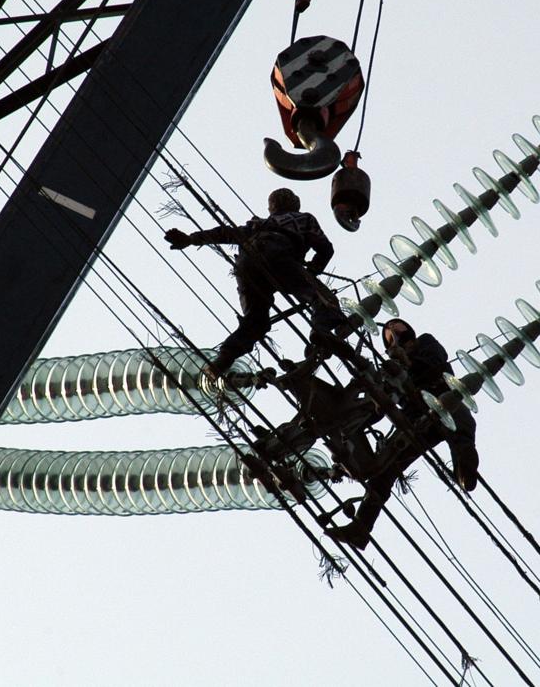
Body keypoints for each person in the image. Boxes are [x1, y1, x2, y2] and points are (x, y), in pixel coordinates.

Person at [325, 318, 479, 550]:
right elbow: (384, 397)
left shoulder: (424, 342)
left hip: (442, 398)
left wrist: (407, 362)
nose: (392, 331)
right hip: (415, 419)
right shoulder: (391, 368)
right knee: (385, 469)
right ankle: (361, 528)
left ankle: (465, 472)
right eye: (387, 333)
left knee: (461, 429)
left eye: (395, 327)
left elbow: (435, 361)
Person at [164, 188, 342, 375]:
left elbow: (227, 233)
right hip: (279, 254)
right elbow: (325, 249)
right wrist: (312, 270)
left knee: (256, 320)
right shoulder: (304, 219)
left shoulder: (259, 224)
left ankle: (224, 358)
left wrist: (191, 239)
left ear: (271, 207)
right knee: (323, 298)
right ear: (295, 204)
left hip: (248, 262)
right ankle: (321, 332)